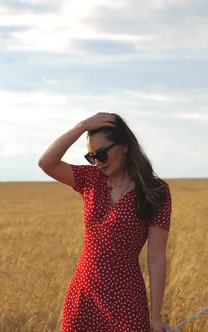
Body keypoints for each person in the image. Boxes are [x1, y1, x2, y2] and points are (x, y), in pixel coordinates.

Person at [38, 112, 172, 332]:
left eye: (102, 154)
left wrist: (155, 316)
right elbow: (46, 163)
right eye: (91, 157)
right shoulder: (91, 179)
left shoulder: (155, 191)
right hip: (83, 296)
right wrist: (81, 126)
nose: (98, 162)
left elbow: (156, 257)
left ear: (125, 146)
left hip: (126, 301)